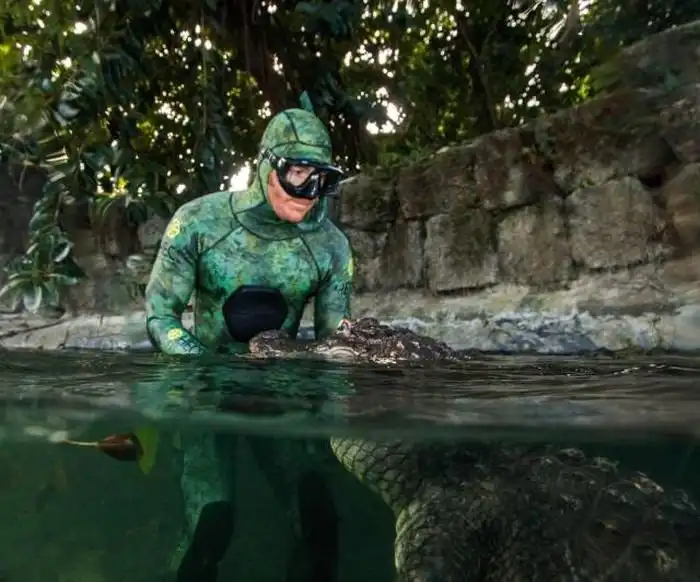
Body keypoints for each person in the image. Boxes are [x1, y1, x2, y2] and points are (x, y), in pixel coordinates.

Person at [144, 107, 354, 582]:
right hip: (204, 389)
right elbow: (160, 315)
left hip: (280, 394)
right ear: (266, 165)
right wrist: (208, 372)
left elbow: (337, 342)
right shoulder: (198, 222)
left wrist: (329, 403)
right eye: (298, 174)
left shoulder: (330, 246)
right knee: (211, 524)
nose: (310, 192)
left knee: (318, 521)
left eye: (321, 179)